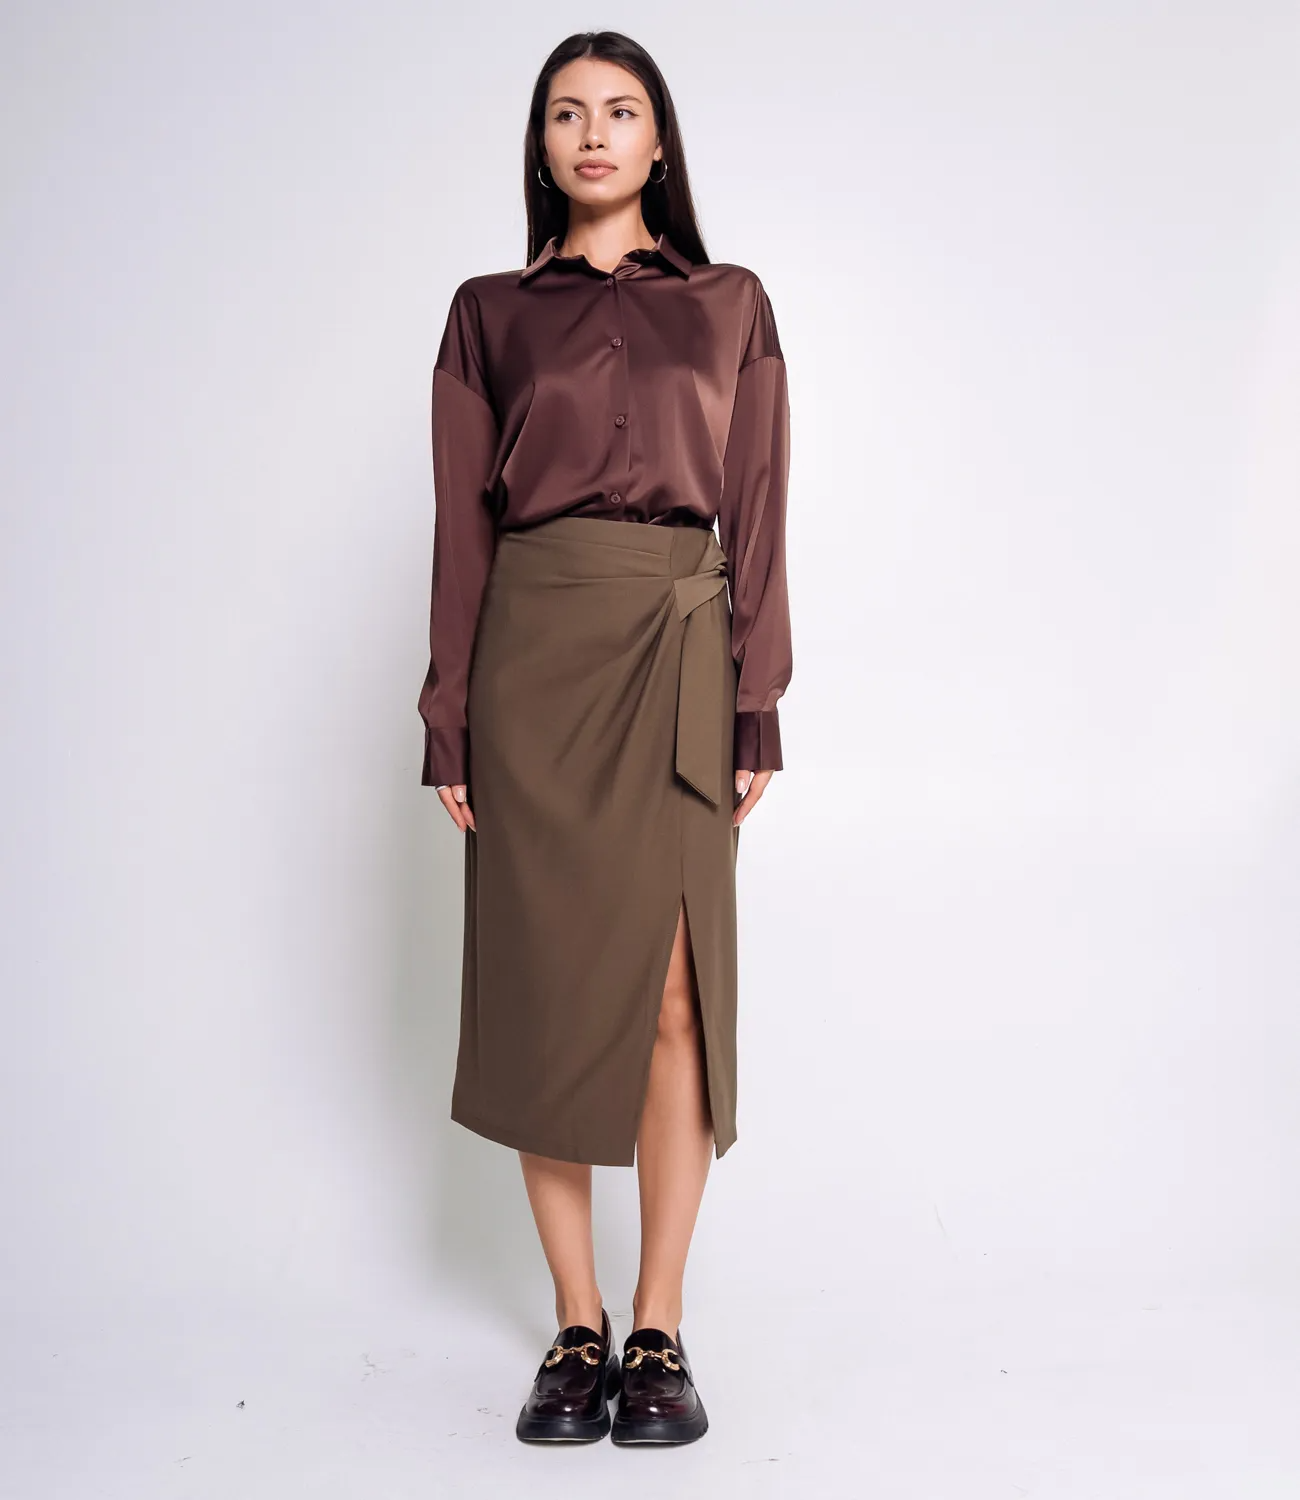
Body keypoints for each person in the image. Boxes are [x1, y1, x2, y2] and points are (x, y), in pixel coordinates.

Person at [416, 30, 792, 1446]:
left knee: (676, 994)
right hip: (534, 667)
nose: (592, 133)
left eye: (620, 111)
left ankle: (659, 1325)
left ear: (658, 140)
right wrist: (449, 715)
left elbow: (760, 504)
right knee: (546, 991)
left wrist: (759, 695)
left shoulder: (731, 304)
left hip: (684, 654)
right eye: (567, 112)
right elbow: (461, 532)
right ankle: (574, 1328)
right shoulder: (487, 316)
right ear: (541, 144)